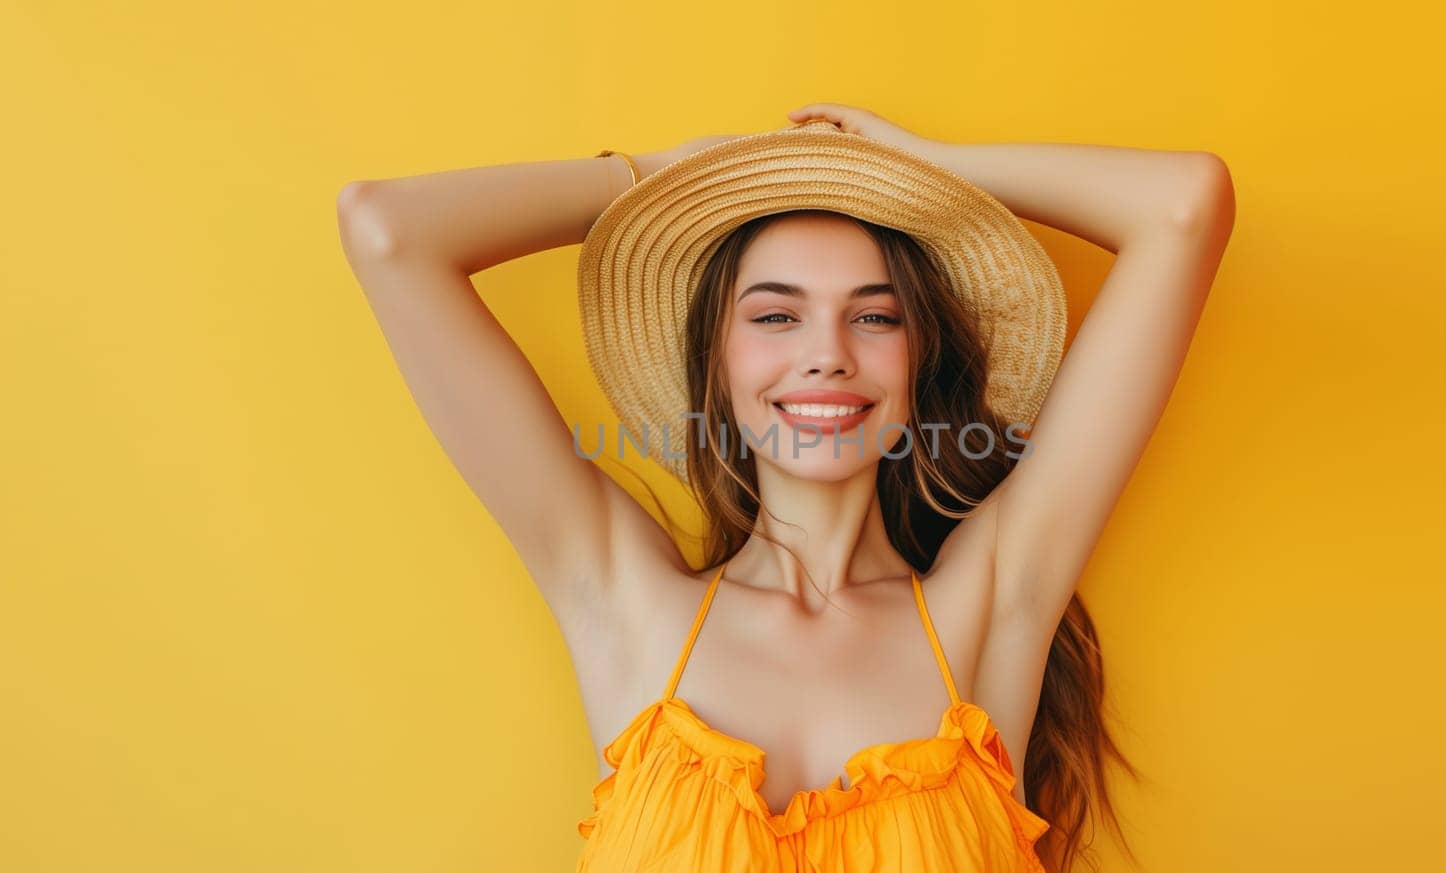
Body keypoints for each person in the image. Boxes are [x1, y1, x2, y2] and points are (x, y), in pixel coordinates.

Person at [335, 103, 1235, 872]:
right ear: (717, 364)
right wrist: (652, 178)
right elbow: (387, 231)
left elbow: (1186, 207)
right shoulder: (621, 597)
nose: (826, 352)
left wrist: (924, 169)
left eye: (875, 316)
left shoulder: (992, 603)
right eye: (775, 314)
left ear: (919, 362)